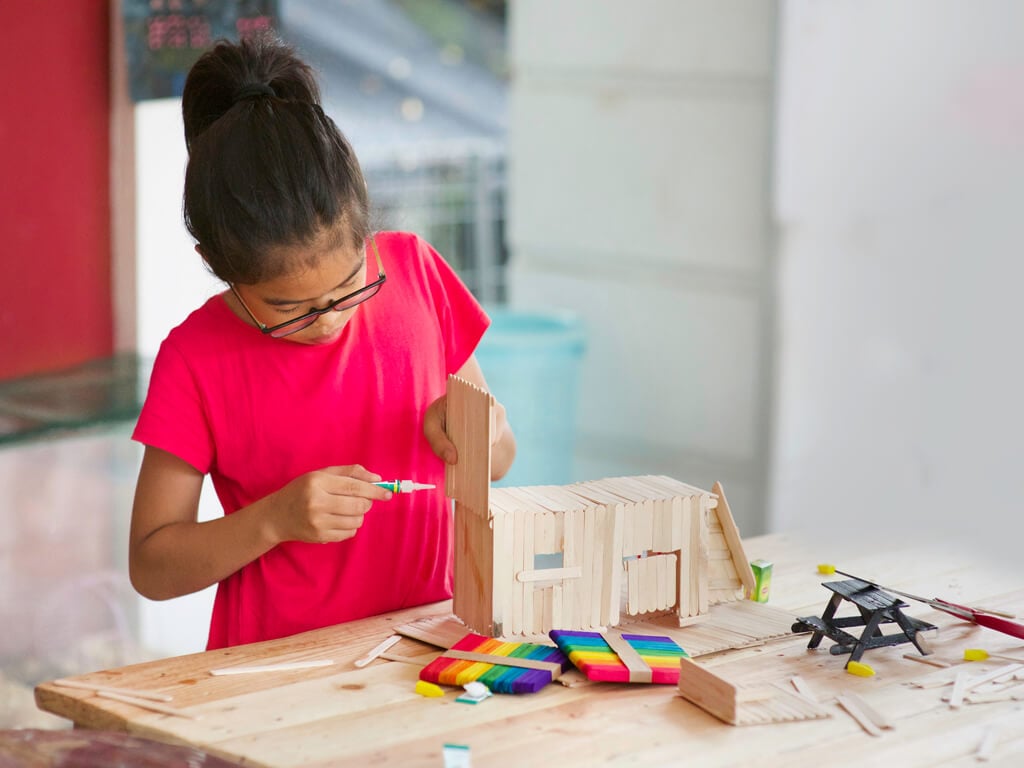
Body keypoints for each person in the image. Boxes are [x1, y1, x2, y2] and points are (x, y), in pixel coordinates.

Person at [128, 34, 516, 650]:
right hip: (275, 675)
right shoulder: (195, 359)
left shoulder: (416, 273)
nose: (329, 319)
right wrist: (274, 520)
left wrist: (477, 432)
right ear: (215, 262)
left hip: (431, 649)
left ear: (365, 223)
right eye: (290, 308)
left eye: (349, 286)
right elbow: (151, 564)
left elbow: (498, 461)